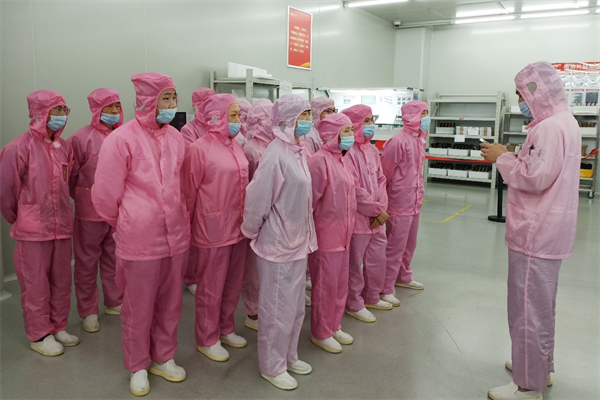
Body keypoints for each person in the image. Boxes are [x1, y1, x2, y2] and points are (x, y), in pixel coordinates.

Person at [482, 61, 581, 400]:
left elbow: (533, 177)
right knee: (541, 306)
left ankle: (527, 385)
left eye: (521, 94)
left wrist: (502, 157)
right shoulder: (566, 121)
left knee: (526, 307)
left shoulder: (548, 128)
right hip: (551, 230)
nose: (520, 101)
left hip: (534, 232)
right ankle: (539, 367)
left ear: (537, 91)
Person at [92, 72, 191, 396]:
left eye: (174, 97)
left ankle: (164, 357)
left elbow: (181, 185)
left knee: (170, 302)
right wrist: (130, 220)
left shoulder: (176, 138)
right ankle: (138, 364)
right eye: (166, 97)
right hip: (140, 239)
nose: (172, 103)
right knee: (138, 306)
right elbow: (105, 195)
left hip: (175, 236)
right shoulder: (121, 139)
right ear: (148, 101)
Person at [241, 94, 317, 390]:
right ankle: (272, 366)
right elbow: (257, 197)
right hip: (277, 245)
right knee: (276, 310)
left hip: (297, 242)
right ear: (288, 119)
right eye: (303, 115)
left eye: (309, 114)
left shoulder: (297, 150)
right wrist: (251, 230)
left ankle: (289, 355)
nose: (308, 120)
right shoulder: (275, 153)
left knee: (295, 308)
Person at [0, 90, 79, 357]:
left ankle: (58, 326)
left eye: (63, 110)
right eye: (55, 110)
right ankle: (39, 334)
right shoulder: (18, 148)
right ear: (39, 114)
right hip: (33, 230)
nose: (61, 115)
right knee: (35, 285)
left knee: (61, 281)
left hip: (62, 226)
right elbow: (6, 193)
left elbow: (68, 183)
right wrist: (23, 217)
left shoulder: (64, 147)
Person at [182, 94, 249, 363]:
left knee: (233, 282)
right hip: (212, 228)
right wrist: (188, 227)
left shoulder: (236, 146)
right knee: (211, 286)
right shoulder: (199, 149)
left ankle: (226, 327)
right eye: (232, 115)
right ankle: (207, 338)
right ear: (216, 117)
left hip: (238, 226)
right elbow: (187, 192)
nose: (237, 120)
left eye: (238, 115)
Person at [68, 88, 124, 334]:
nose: (114, 111)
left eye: (117, 106)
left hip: (117, 211)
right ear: (96, 109)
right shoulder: (81, 138)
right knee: (86, 262)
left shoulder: (123, 135)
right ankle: (88, 311)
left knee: (114, 258)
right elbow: (70, 176)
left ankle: (114, 301)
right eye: (108, 106)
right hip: (89, 211)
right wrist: (83, 195)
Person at [307, 113, 357, 354]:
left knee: (339, 284)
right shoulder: (319, 161)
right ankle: (321, 331)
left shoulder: (343, 159)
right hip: (325, 236)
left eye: (351, 130)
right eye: (346, 131)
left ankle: (335, 324)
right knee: (325, 287)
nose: (351, 135)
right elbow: (310, 202)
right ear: (331, 134)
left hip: (344, 234)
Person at [341, 105, 393, 324]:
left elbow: (381, 179)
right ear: (356, 124)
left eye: (372, 120)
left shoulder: (371, 150)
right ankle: (354, 302)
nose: (371, 124)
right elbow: (353, 188)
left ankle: (372, 296)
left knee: (377, 259)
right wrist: (375, 210)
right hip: (359, 219)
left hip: (377, 218)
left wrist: (381, 207)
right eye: (367, 121)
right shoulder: (348, 152)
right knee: (355, 264)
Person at [380, 100, 429, 306]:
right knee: (394, 246)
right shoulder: (398, 141)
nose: (426, 118)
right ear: (411, 116)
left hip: (414, 201)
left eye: (427, 113)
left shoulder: (419, 140)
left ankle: (403, 276)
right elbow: (385, 173)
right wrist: (384, 200)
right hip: (399, 202)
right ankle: (385, 286)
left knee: (410, 243)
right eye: (423, 113)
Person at [240, 98, 274, 332]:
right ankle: (252, 312)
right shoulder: (251, 149)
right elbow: (250, 188)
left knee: (266, 269)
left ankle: (265, 307)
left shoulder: (272, 146)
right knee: (252, 269)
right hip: (257, 217)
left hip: (272, 218)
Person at [181, 87, 216, 296]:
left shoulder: (218, 127)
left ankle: (207, 273)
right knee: (195, 236)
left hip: (217, 189)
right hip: (199, 188)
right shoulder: (189, 130)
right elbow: (192, 160)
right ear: (196, 107)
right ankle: (191, 276)